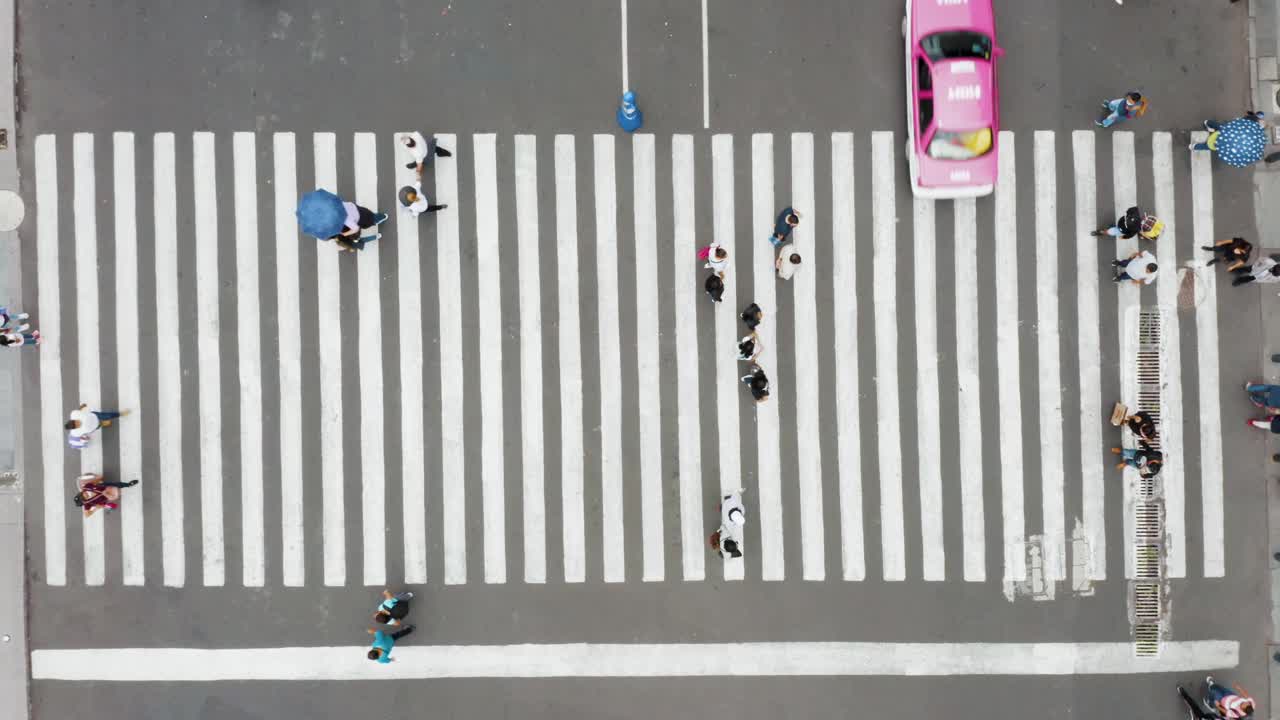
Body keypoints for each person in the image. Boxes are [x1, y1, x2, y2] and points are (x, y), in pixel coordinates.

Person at [72, 473, 139, 517]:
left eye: (82, 494)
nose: (85, 494)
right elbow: (86, 515)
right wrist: (96, 509)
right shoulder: (88, 504)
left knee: (113, 484)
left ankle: (128, 484)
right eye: (83, 497)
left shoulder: (86, 487)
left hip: (105, 487)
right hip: (107, 496)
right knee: (113, 498)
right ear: (84, 501)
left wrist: (98, 479)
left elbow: (95, 481)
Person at [1192, 112, 1264, 151]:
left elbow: (1238, 121)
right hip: (1223, 141)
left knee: (1218, 126)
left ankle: (1207, 122)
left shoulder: (1247, 125)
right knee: (1208, 146)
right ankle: (1194, 146)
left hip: (1226, 130)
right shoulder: (1241, 144)